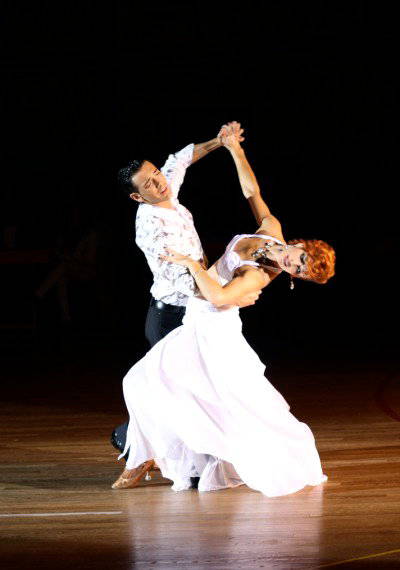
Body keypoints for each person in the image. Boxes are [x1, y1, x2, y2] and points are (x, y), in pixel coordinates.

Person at [111, 126, 335, 496]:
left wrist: (199, 268)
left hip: (205, 320)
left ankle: (161, 455)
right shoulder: (272, 231)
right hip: (183, 312)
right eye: (301, 258)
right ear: (300, 244)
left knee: (188, 393)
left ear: (295, 277)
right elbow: (252, 191)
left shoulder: (259, 275)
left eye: (298, 271)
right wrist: (231, 147)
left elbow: (215, 297)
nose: (294, 264)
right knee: (173, 391)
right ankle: (156, 453)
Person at [112, 123, 261, 461]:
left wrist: (219, 142)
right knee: (179, 391)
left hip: (194, 309)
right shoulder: (153, 228)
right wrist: (230, 296)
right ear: (137, 197)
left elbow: (179, 160)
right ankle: (134, 441)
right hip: (173, 317)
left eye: (155, 174)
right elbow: (187, 281)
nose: (158, 181)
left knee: (198, 386)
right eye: (149, 183)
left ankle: (196, 455)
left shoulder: (164, 190)